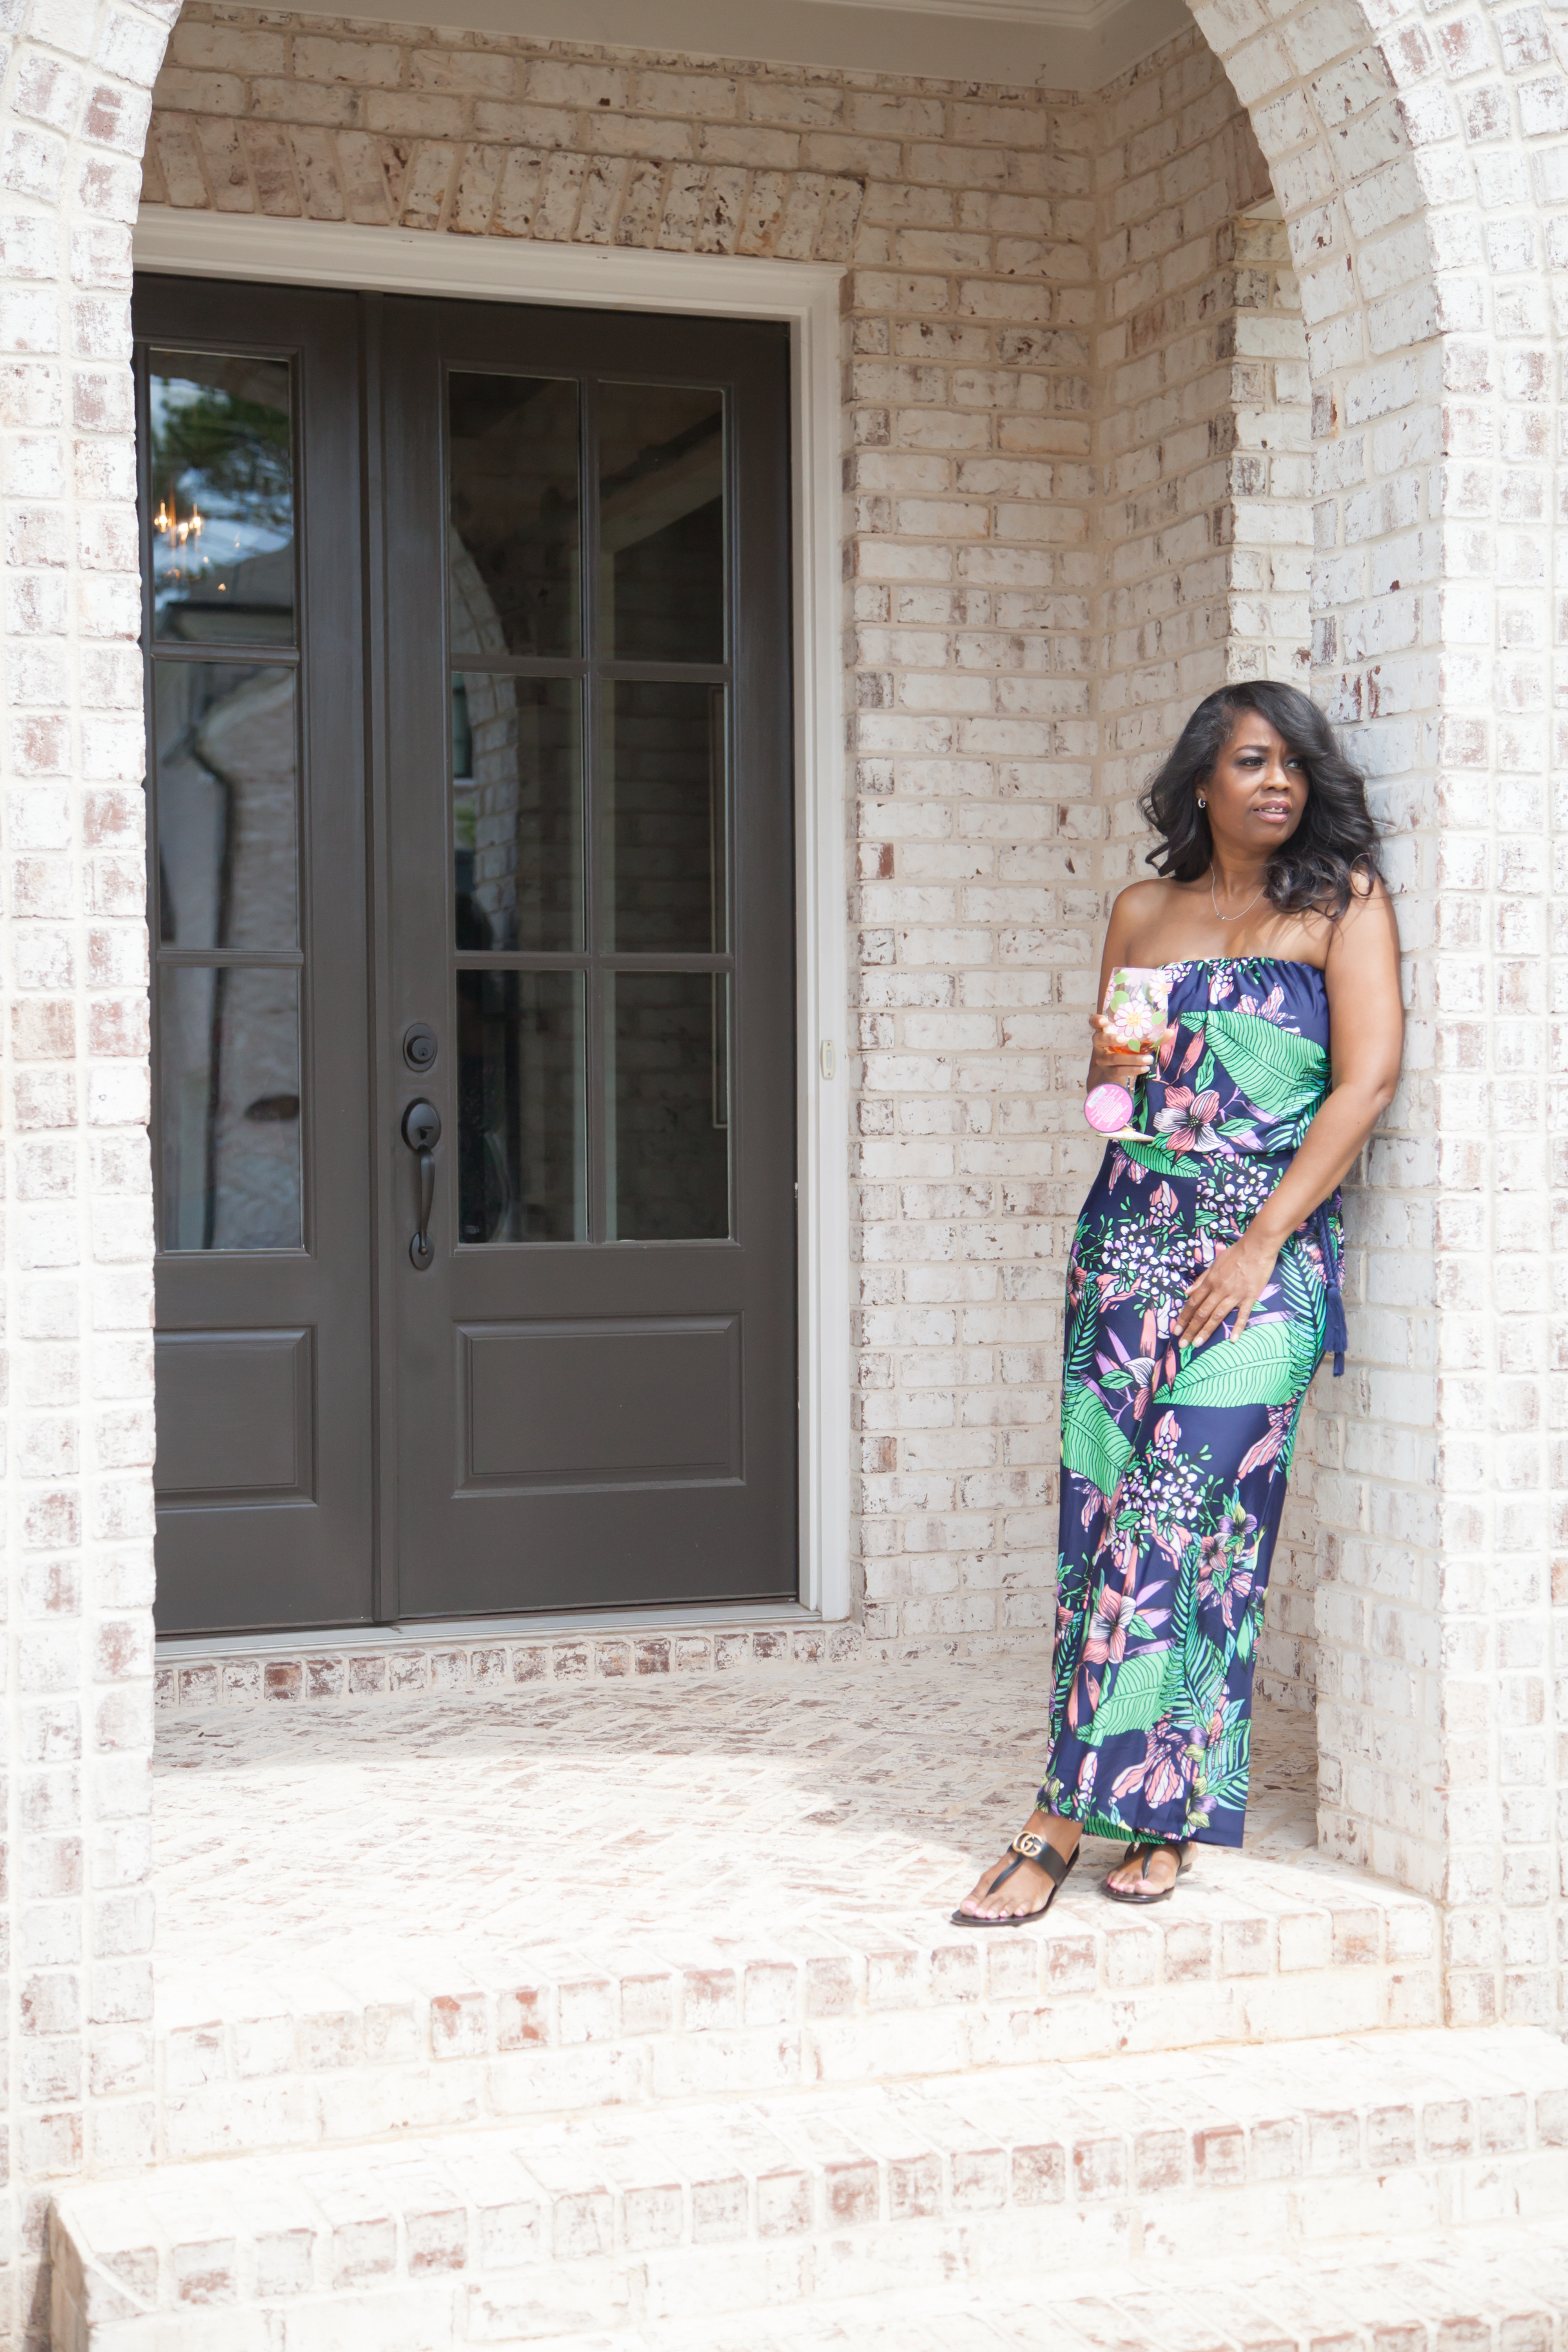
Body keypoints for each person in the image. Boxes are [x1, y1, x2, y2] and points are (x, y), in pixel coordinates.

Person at [954, 683, 1404, 1923]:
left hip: (1261, 1257)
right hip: (1129, 1241)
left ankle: (1057, 1817)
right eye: (1253, 761)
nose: (1279, 783)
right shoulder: (1143, 912)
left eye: (1296, 765)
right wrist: (1118, 1065)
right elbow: (1110, 1093)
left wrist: (1262, 1245)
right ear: (1201, 780)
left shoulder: (1342, 905)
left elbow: (1365, 1085)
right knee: (1108, 1522)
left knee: (1179, 1515)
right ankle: (1162, 1803)